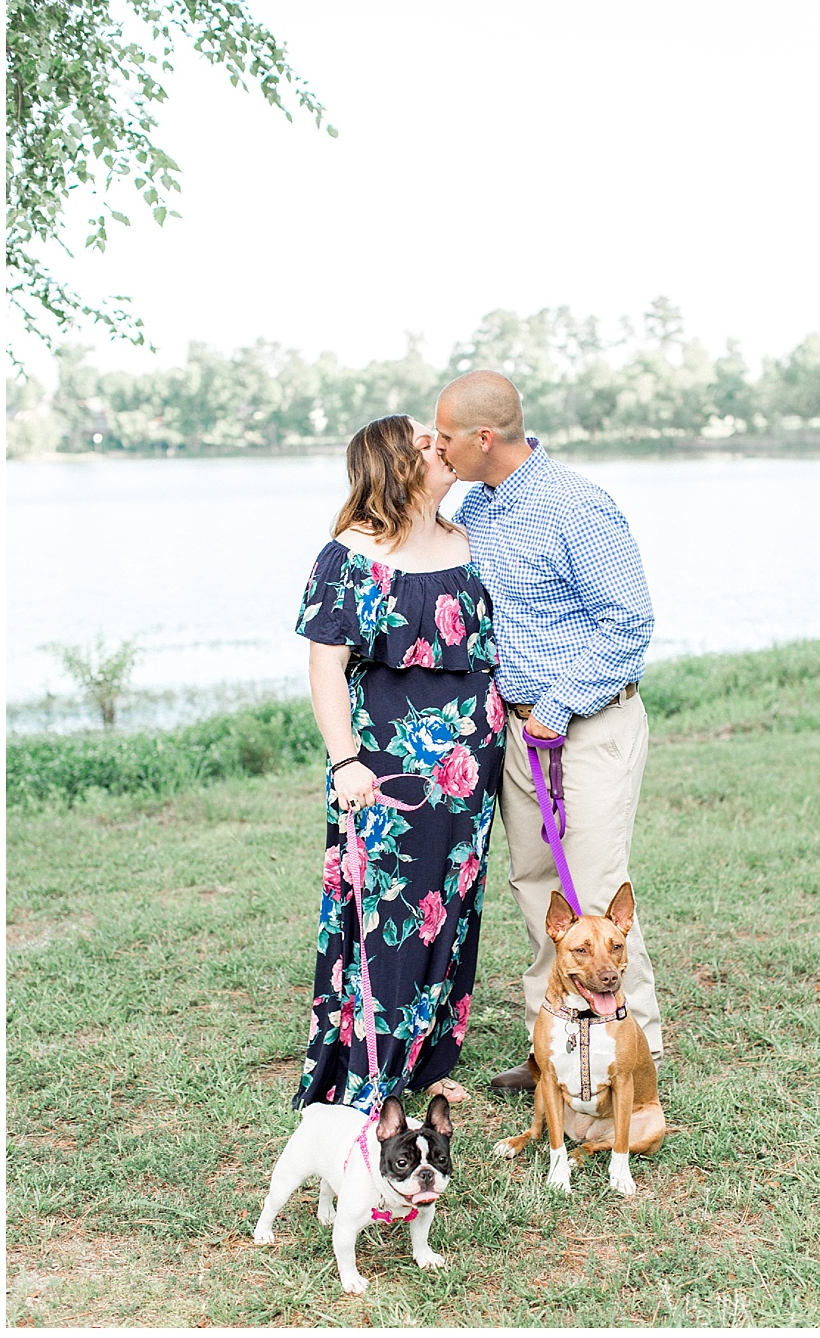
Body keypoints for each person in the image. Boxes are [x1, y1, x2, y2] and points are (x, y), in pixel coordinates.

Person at [433, 369, 662, 1095]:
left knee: (594, 894)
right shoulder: (476, 505)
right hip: (519, 735)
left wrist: (556, 709)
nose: (438, 448)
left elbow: (630, 621)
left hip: (587, 725)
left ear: (484, 438)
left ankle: (632, 1056)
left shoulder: (575, 506)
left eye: (444, 437)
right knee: (540, 892)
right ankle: (553, 1050)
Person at [292, 414, 505, 1116]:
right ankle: (370, 1071)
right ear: (396, 465)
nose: (440, 448)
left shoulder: (468, 540)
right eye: (424, 442)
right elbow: (325, 671)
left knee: (453, 909)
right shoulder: (350, 554)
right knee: (388, 910)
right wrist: (345, 759)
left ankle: (431, 1059)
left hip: (471, 765)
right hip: (384, 770)